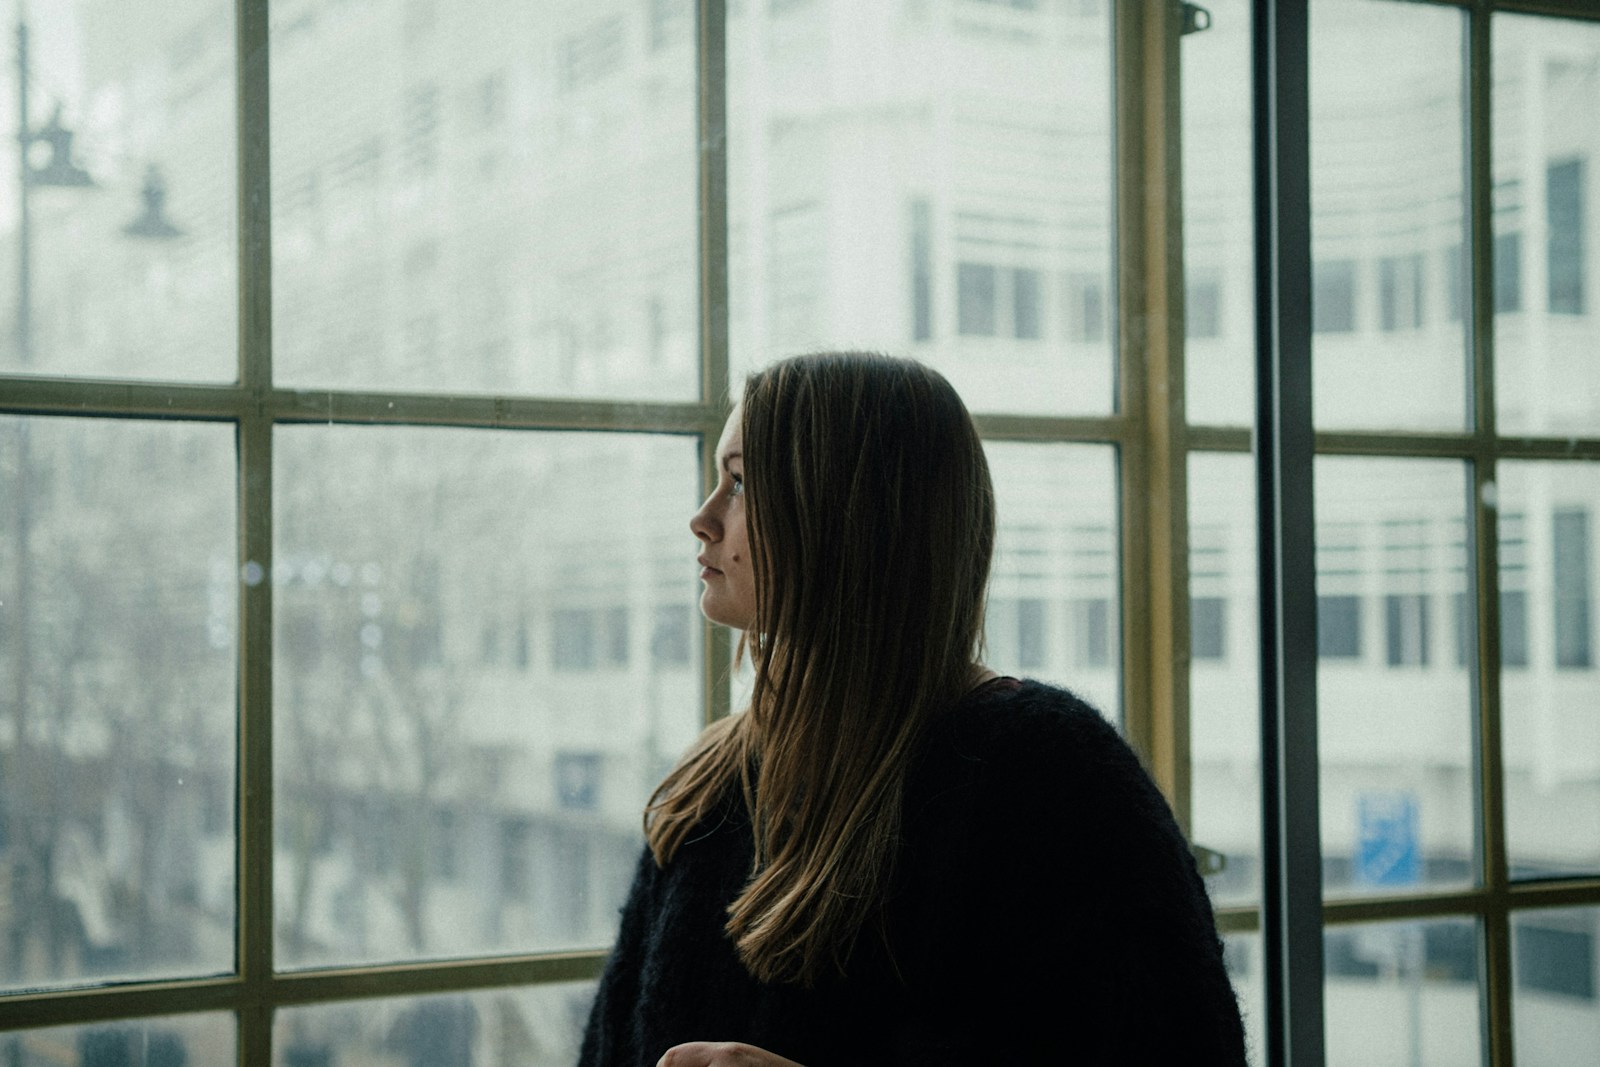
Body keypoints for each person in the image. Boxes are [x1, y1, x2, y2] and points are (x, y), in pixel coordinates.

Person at [578, 352, 1247, 1067]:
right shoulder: (710, 783)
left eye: (740, 483)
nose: (703, 518)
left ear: (849, 515)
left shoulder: (1050, 776)